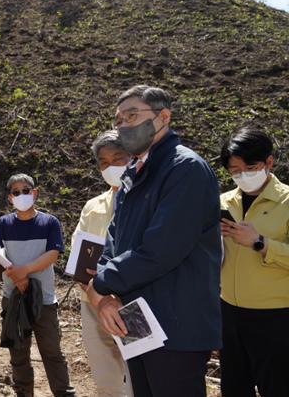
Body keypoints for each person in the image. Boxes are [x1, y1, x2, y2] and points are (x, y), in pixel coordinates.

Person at [86, 85, 222, 397]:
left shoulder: (184, 168)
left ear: (163, 117)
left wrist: (103, 282)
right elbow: (114, 239)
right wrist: (105, 297)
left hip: (176, 323)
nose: (124, 125)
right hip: (135, 319)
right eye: (119, 119)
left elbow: (163, 249)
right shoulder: (134, 171)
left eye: (132, 115)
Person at [218, 127, 289, 397]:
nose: (243, 175)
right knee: (234, 387)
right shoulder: (224, 201)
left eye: (250, 166)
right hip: (229, 312)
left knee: (278, 386)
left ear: (269, 162)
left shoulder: (286, 201)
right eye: (235, 170)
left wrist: (260, 243)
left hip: (276, 316)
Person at [0, 173, 75, 397]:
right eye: (16, 192)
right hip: (13, 298)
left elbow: (53, 254)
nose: (22, 195)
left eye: (26, 191)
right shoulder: (3, 224)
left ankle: (64, 393)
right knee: (18, 353)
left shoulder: (49, 222)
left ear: (35, 193)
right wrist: (17, 277)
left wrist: (24, 271)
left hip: (44, 300)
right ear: (10, 198)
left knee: (52, 352)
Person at [73, 130, 133, 397]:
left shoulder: (146, 201)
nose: (111, 167)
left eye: (118, 158)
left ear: (133, 157)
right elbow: (79, 257)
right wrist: (98, 298)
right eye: (104, 163)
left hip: (132, 303)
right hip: (93, 303)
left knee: (138, 380)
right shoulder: (93, 206)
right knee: (105, 379)